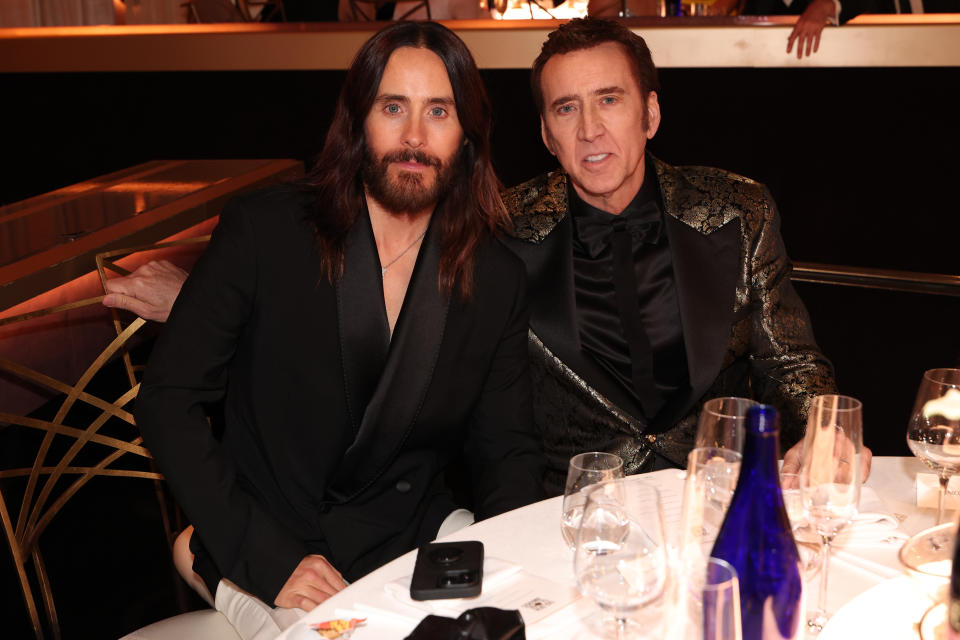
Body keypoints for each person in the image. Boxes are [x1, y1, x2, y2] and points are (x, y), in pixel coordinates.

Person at [111, 18, 867, 497]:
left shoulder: (739, 208)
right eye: (566, 109)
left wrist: (825, 426)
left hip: (722, 501)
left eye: (610, 100)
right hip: (570, 515)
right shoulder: (498, 229)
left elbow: (793, 364)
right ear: (544, 132)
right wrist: (210, 305)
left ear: (652, 112)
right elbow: (383, 300)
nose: (591, 130)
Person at [133, 20, 545, 636]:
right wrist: (265, 557)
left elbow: (507, 450)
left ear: (467, 136)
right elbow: (168, 401)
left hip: (411, 533)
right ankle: (220, 569)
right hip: (282, 538)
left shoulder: (496, 276)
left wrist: (519, 559)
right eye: (392, 107)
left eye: (438, 110)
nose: (413, 136)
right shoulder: (265, 234)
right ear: (357, 123)